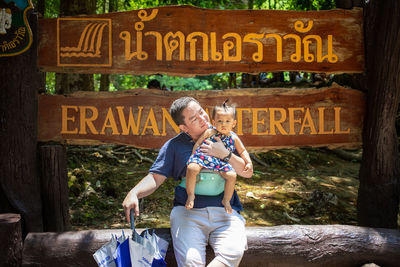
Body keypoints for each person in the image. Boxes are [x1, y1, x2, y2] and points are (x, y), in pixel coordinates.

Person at [122, 96, 253, 267]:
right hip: (188, 213)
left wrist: (224, 154)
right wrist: (134, 193)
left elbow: (247, 173)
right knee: (191, 261)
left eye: (201, 112)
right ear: (183, 128)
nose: (203, 119)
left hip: (225, 212)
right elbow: (156, 177)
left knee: (233, 252)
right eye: (194, 118)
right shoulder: (174, 146)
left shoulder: (225, 135)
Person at [185, 100, 252, 214]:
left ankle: (226, 200)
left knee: (232, 175)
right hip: (204, 157)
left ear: (234, 123)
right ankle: (191, 195)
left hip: (221, 162)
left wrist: (248, 162)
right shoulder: (210, 132)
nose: (223, 124)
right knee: (192, 168)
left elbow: (242, 151)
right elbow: (198, 143)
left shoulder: (233, 138)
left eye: (227, 121)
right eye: (220, 121)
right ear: (214, 122)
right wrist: (193, 155)